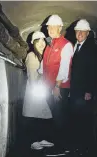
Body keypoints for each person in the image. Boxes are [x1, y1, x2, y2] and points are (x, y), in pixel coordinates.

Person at [38, 14, 74, 154]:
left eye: (54, 26)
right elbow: (43, 67)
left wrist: (57, 86)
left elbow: (65, 67)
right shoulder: (49, 45)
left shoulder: (65, 45)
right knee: (55, 115)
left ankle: (63, 147)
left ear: (60, 27)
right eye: (49, 26)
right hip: (48, 87)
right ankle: (57, 143)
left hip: (59, 88)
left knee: (60, 117)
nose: (50, 29)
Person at [69, 19, 97, 155]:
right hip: (76, 90)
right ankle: (79, 146)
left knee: (84, 120)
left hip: (84, 91)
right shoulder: (77, 46)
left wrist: (89, 90)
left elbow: (94, 70)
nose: (79, 33)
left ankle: (86, 148)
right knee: (77, 118)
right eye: (77, 31)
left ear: (88, 33)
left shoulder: (91, 47)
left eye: (82, 31)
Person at [22, 31, 54, 151]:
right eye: (38, 41)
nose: (41, 44)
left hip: (41, 91)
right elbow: (32, 76)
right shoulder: (32, 56)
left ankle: (41, 139)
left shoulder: (43, 55)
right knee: (34, 116)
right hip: (34, 91)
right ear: (33, 43)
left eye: (43, 41)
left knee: (44, 115)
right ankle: (33, 141)